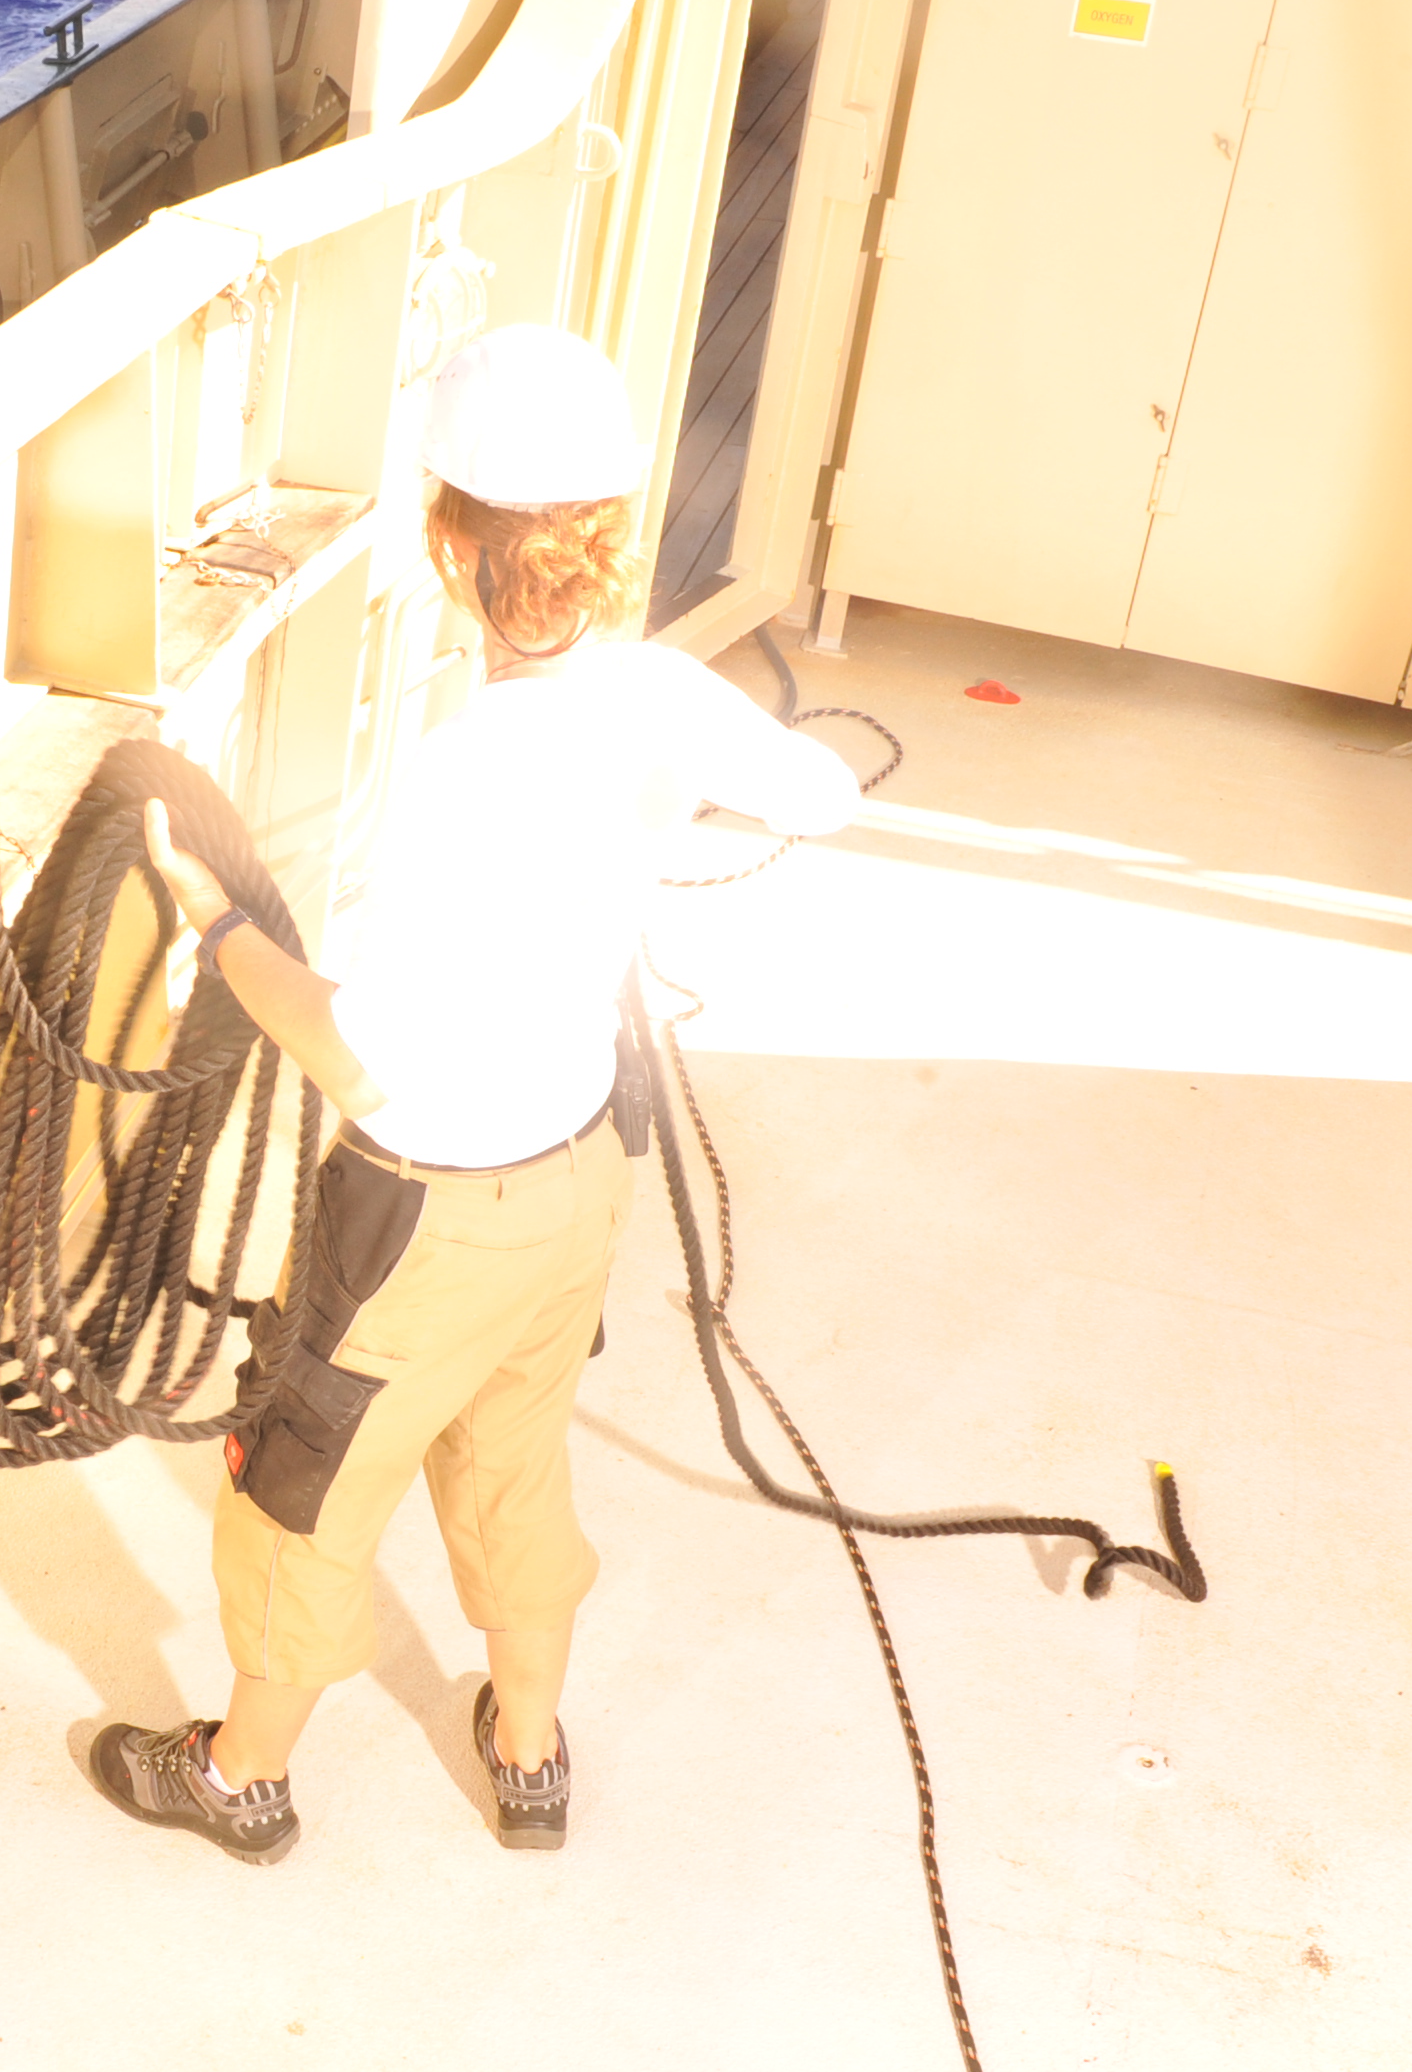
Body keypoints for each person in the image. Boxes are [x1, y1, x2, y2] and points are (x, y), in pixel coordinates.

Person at [88, 322, 864, 1864]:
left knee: (305, 1489)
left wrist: (218, 922)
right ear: (611, 532)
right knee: (514, 1465)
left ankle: (240, 1780)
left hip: (420, 1229)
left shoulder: (452, 777)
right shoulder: (660, 696)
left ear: (450, 545)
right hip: (577, 1186)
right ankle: (527, 1755)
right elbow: (822, 793)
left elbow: (358, 1057)